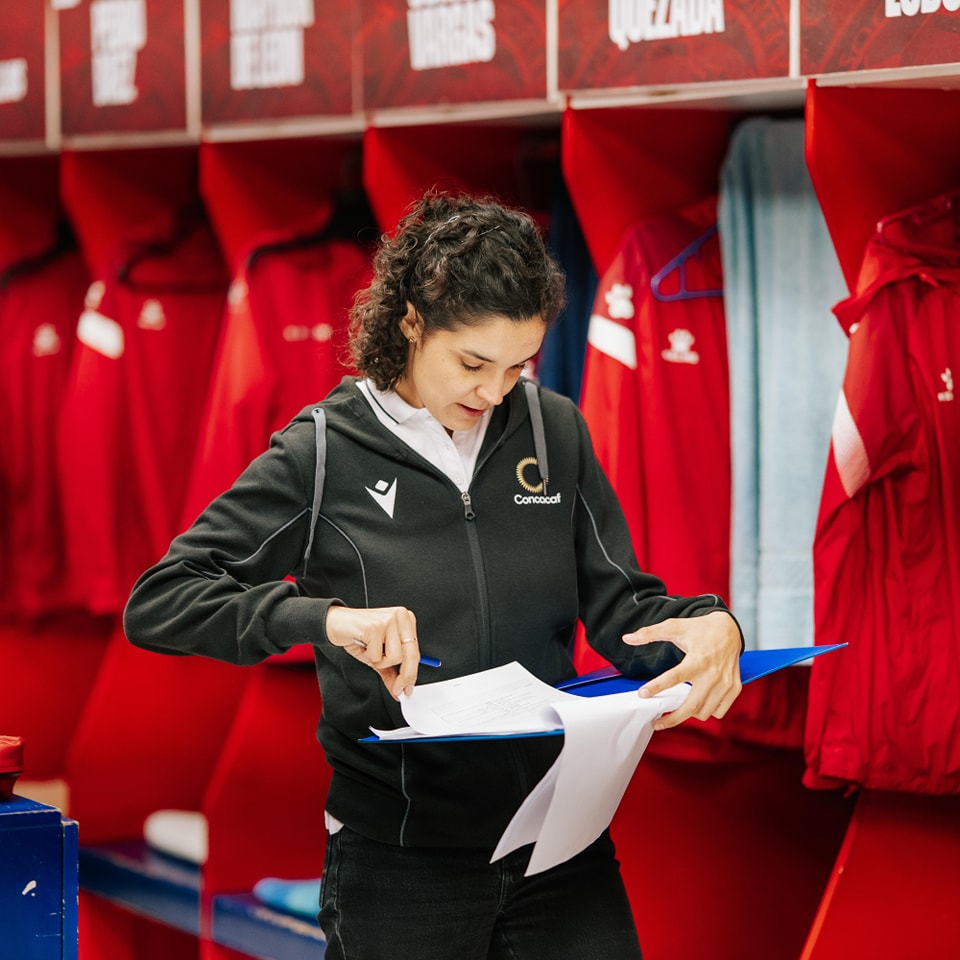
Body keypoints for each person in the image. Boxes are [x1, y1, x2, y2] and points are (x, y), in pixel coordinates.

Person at [124, 190, 743, 960]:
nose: (493, 393)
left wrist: (712, 629)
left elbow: (623, 604)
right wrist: (323, 620)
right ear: (411, 323)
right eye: (472, 363)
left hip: (560, 844)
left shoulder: (553, 428)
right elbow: (160, 601)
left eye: (519, 365)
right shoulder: (322, 454)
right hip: (401, 859)